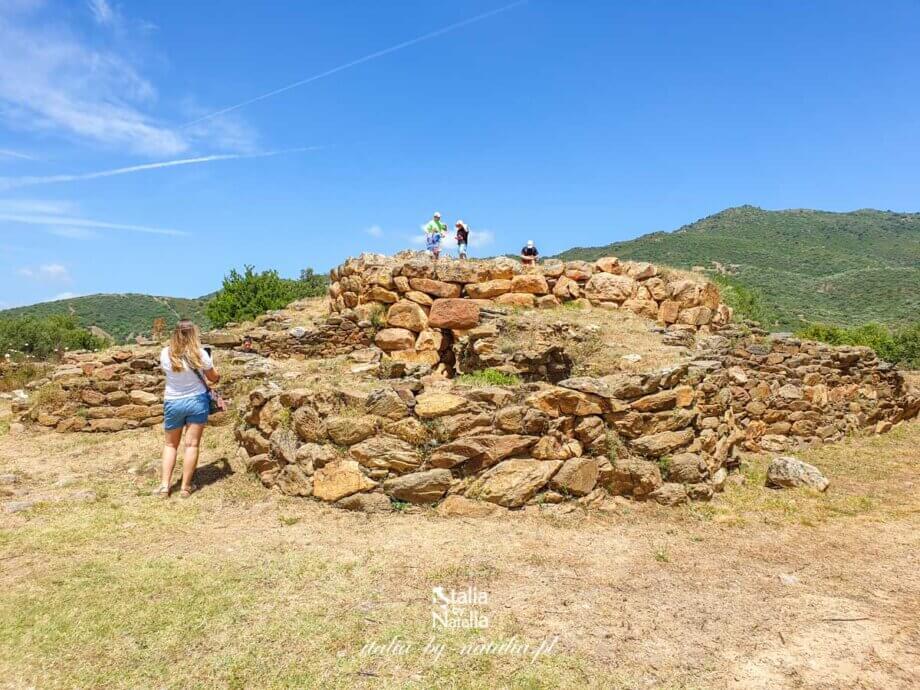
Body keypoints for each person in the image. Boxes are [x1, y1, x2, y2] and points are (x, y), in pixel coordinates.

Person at [153, 320, 220, 498]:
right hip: (197, 401)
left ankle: (164, 486)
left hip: (173, 401)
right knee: (192, 445)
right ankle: (185, 487)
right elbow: (213, 378)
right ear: (193, 334)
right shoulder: (201, 354)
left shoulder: (165, 353)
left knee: (170, 445)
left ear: (175, 333)